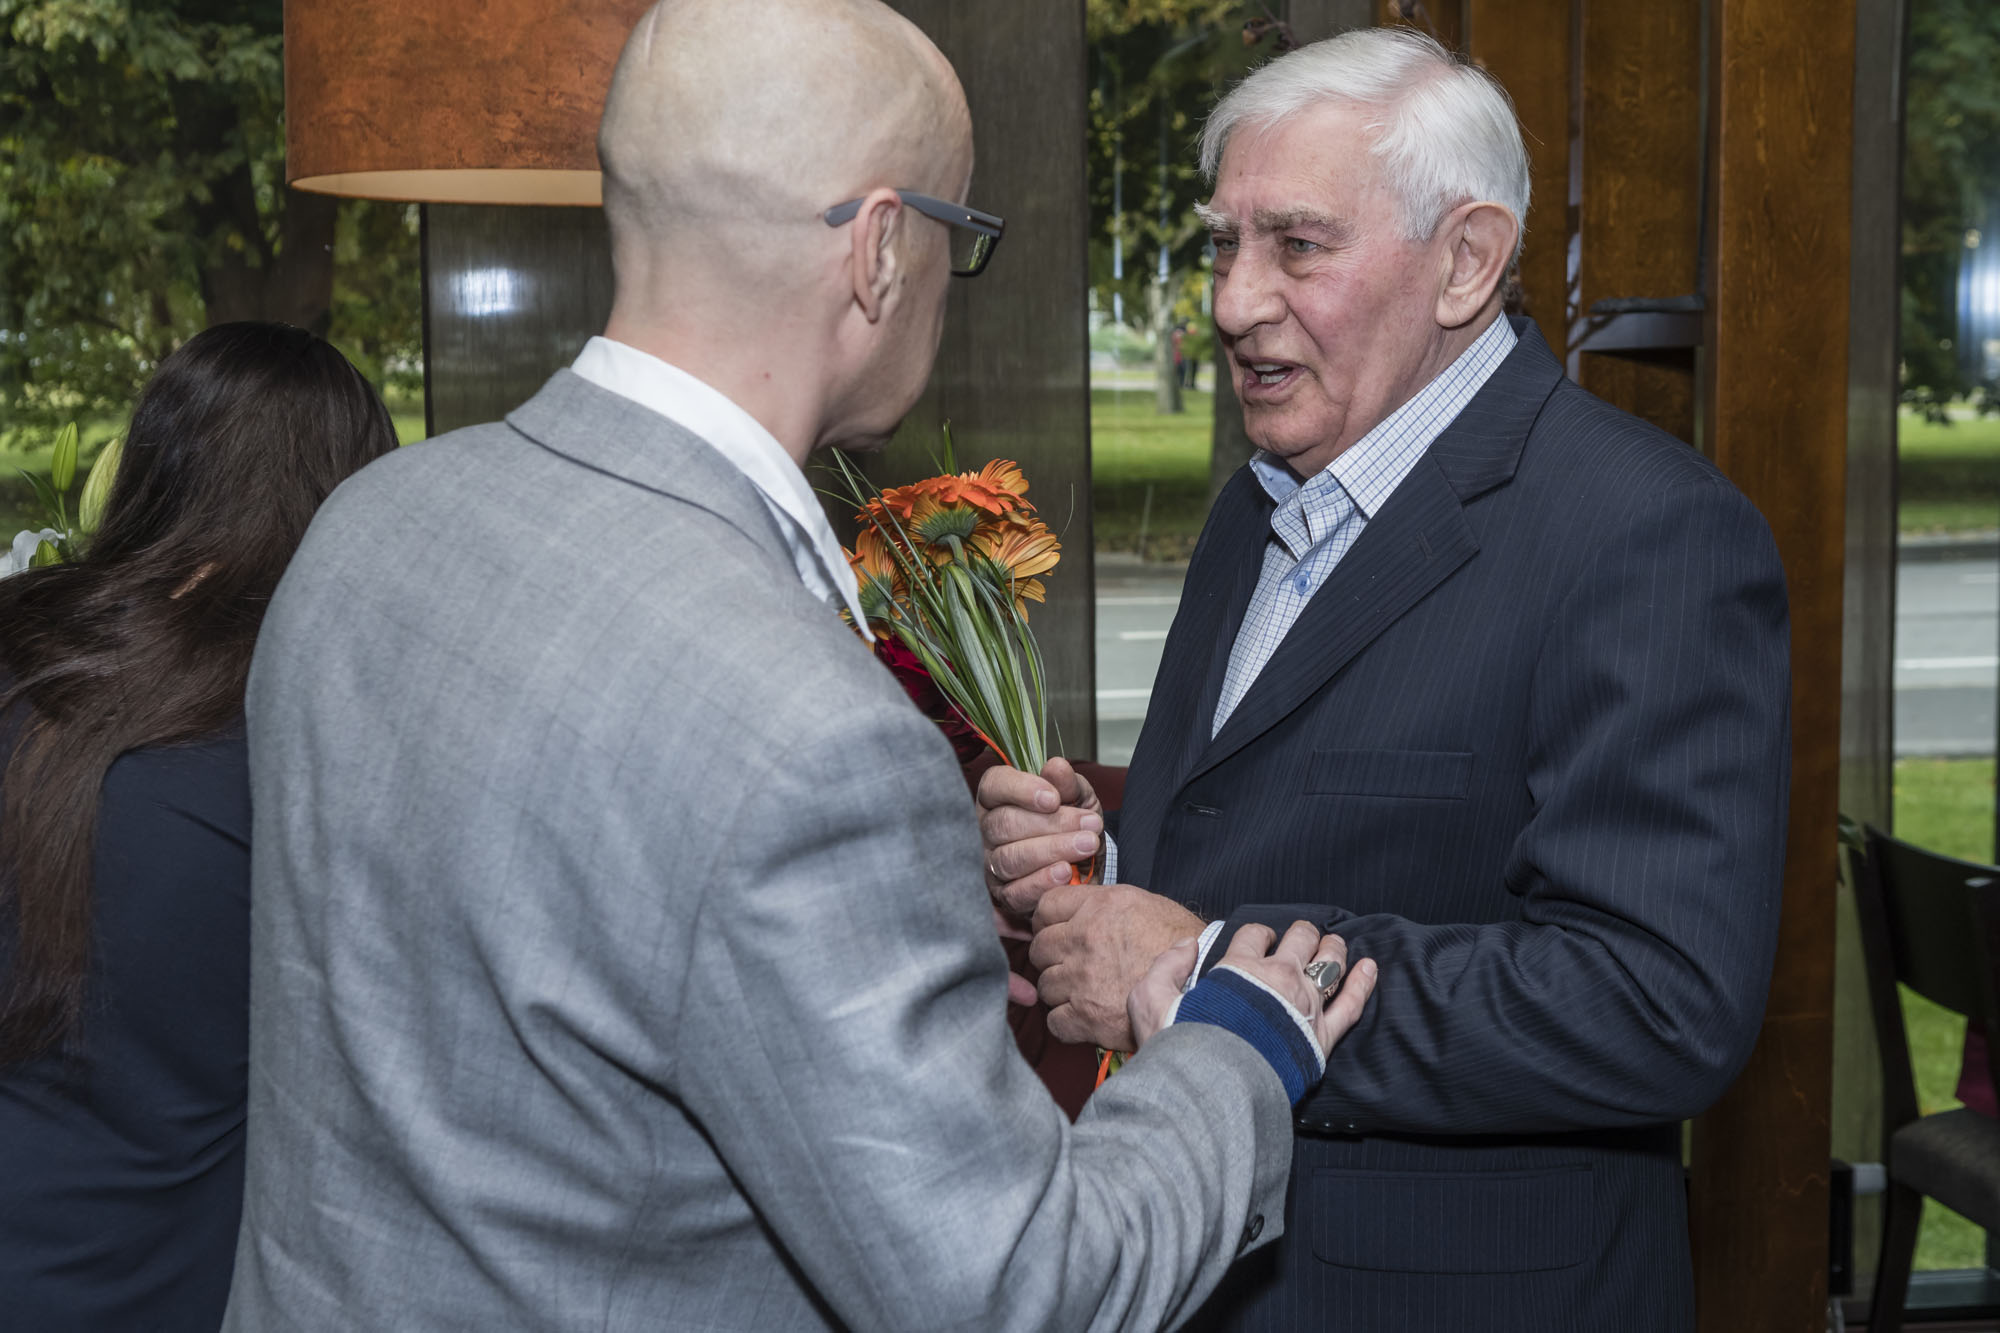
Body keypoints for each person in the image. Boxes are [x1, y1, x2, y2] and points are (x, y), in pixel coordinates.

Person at [221, 3, 1377, 1330]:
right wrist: (1239, 1039)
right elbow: (1024, 1289)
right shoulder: (814, 736)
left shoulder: (366, 526)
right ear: (880, 250)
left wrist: (903, 924)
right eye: (959, 235)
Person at [980, 28, 1790, 1333]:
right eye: (1223, 245)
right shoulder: (1258, 505)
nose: (1233, 302)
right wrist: (1099, 864)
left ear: (1466, 260)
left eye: (1297, 245)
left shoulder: (1647, 534)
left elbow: (1656, 1003)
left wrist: (1202, 971)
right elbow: (1275, 833)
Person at [0, 322, 400, 1330]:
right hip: (161, 1283)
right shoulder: (304, 736)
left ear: (154, 461)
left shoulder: (20, 632)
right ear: (349, 500)